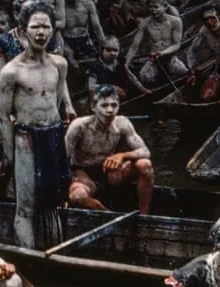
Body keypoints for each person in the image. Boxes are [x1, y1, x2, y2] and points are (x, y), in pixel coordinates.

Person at [0, 1, 75, 248]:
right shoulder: (11, 72)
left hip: (53, 136)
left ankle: (54, 251)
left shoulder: (59, 64)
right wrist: (10, 155)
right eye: (35, 27)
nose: (41, 32)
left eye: (45, 27)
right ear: (22, 31)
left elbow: (57, 101)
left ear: (52, 30)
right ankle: (29, 260)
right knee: (26, 205)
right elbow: (2, 117)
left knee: (55, 199)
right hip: (26, 140)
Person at [64, 85, 154, 213]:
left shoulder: (122, 123)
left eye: (114, 105)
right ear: (93, 107)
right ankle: (107, 214)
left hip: (110, 172)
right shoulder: (79, 126)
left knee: (145, 164)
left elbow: (145, 152)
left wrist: (122, 156)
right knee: (77, 196)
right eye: (104, 105)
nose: (110, 110)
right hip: (84, 174)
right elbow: (61, 159)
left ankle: (144, 217)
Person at [125, 0, 188, 91]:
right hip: (154, 60)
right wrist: (127, 63)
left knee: (184, 73)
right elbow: (134, 46)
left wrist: (162, 53)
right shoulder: (145, 23)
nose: (153, 10)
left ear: (165, 7)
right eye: (151, 7)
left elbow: (177, 44)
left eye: (156, 7)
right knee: (144, 77)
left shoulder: (175, 21)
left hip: (170, 58)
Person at [182, 3, 220, 100]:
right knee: (206, 94)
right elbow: (192, 50)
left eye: (212, 18)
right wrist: (192, 70)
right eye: (206, 20)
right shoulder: (204, 31)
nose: (210, 22)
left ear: (219, 17)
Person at [56, 0, 106, 67]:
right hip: (67, 41)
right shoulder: (61, 8)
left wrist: (103, 43)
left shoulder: (88, 4)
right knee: (71, 64)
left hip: (84, 39)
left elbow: (96, 26)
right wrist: (65, 49)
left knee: (96, 63)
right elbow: (57, 30)